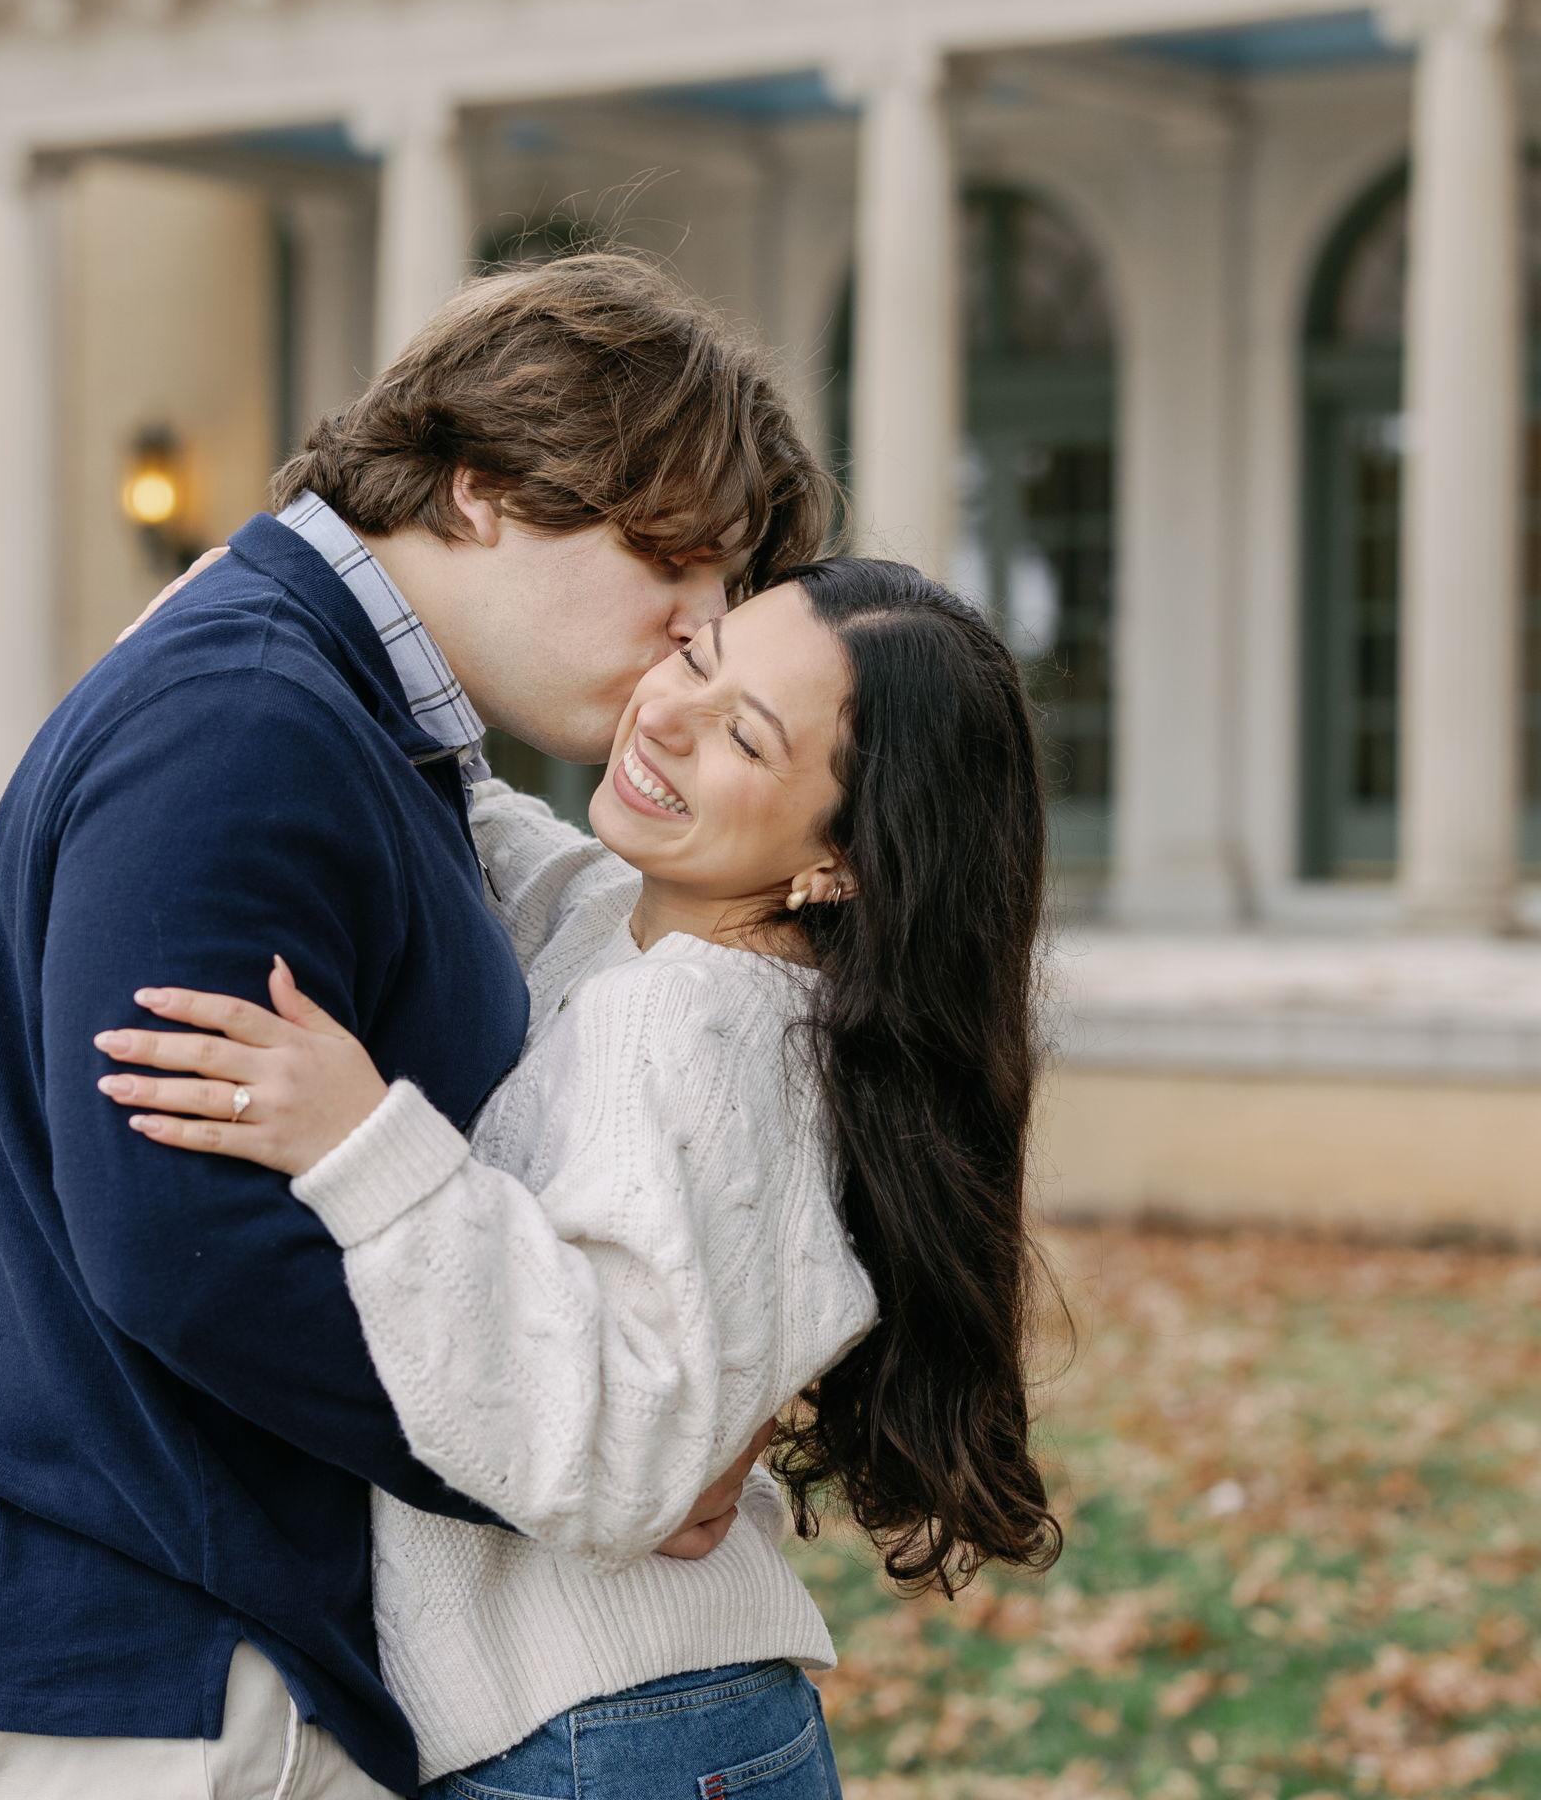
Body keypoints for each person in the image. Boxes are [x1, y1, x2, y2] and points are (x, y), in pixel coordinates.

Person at [0, 250, 835, 1800]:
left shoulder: (338, 708)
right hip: (142, 1664)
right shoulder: (245, 718)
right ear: (489, 486)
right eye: (678, 573)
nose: (687, 641)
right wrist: (590, 1474)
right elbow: (189, 1245)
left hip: (179, 1637)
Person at [99, 556, 1066, 1798]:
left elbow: (603, 1448)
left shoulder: (693, 1025)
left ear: (844, 863)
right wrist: (238, 622)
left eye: (743, 738)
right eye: (697, 661)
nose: (665, 715)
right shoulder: (652, 935)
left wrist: (361, 1143)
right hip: (627, 1722)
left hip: (605, 1736)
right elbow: (487, 826)